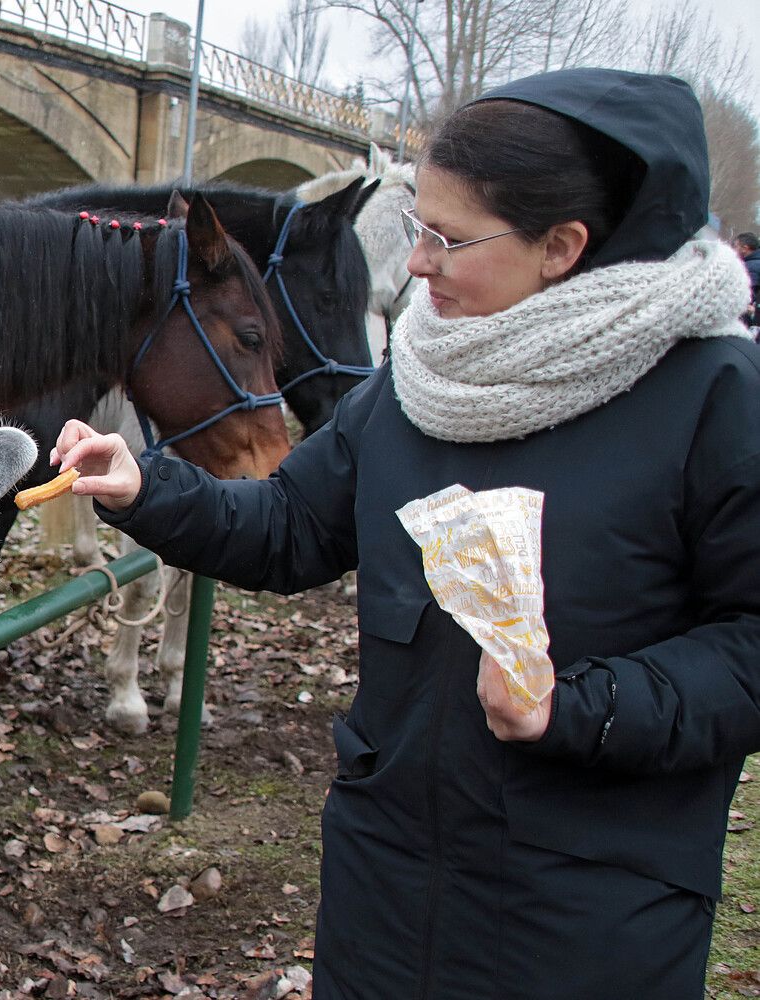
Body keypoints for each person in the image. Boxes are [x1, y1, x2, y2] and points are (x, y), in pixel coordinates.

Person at [52, 68, 757, 999]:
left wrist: (579, 707)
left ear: (562, 246)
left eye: (449, 239)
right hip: (386, 883)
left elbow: (748, 645)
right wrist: (150, 489)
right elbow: (294, 525)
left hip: (588, 906)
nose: (415, 265)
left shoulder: (714, 397)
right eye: (417, 227)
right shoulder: (419, 379)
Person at [734, 232, 760, 333]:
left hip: (744, 320)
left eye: (736, 246)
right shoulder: (754, 263)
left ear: (745, 248)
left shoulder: (751, 267)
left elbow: (747, 295)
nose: (734, 249)